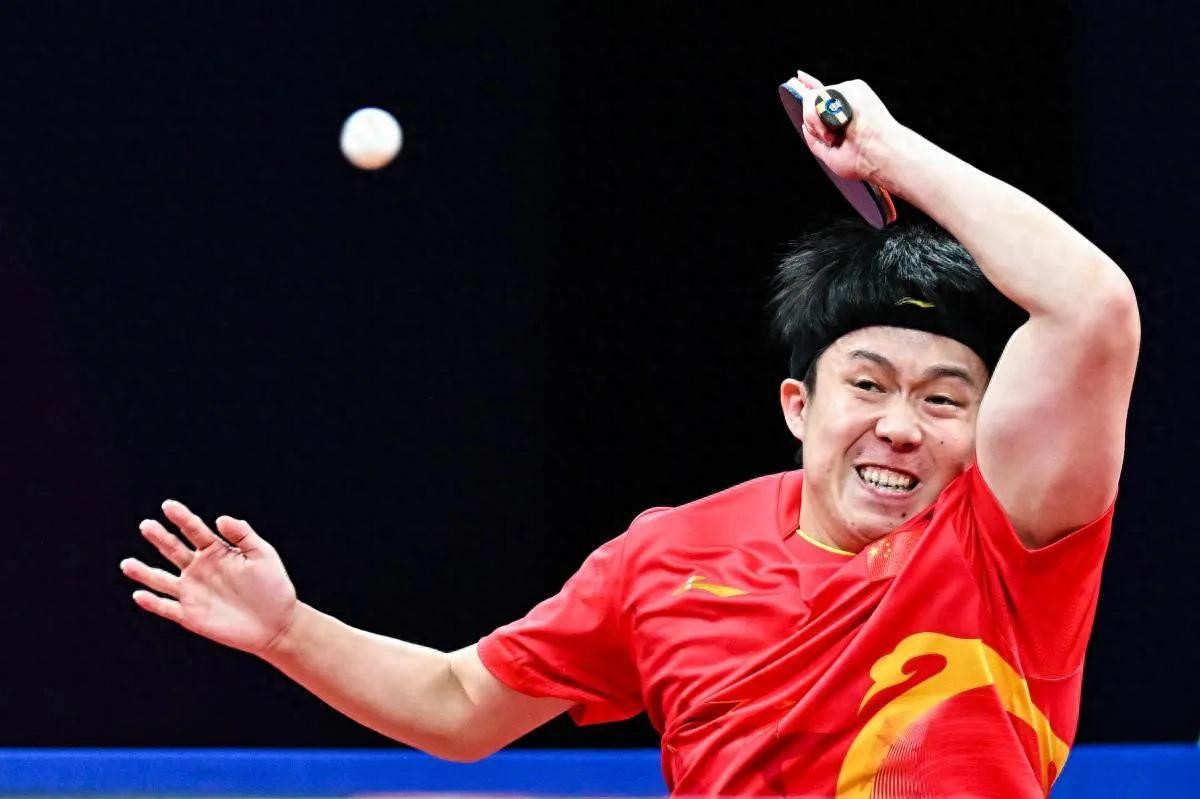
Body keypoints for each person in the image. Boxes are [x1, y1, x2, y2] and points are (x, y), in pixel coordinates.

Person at [120, 69, 1140, 798]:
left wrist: (888, 154)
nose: (901, 426)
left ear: (985, 426)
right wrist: (288, 631)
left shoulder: (1012, 540)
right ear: (800, 405)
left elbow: (1091, 308)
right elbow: (460, 702)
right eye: (868, 385)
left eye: (945, 400)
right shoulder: (667, 557)